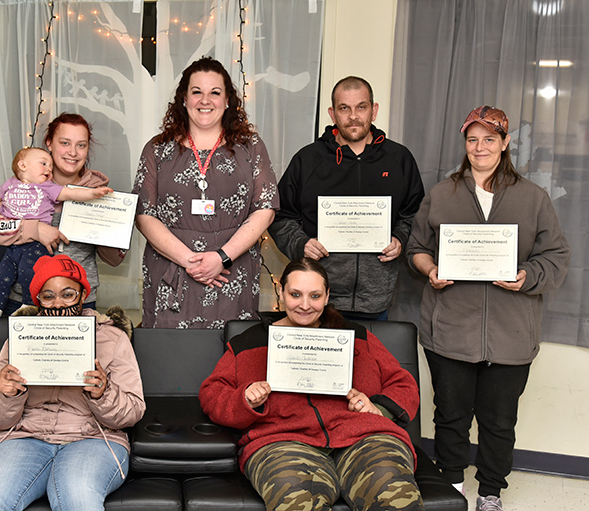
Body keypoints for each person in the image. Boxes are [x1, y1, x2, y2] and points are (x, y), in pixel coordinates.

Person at [406, 105, 570, 511]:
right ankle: (453, 487)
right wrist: (431, 270)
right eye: (472, 139)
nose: (480, 147)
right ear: (465, 143)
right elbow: (416, 249)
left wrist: (526, 276)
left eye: (489, 139)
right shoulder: (442, 194)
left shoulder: (533, 198)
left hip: (511, 333)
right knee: (451, 416)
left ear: (505, 143)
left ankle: (491, 492)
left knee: (499, 422)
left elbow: (556, 256)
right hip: (449, 330)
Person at [199, 257, 422, 511]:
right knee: (294, 502)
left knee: (396, 496)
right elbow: (212, 393)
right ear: (280, 293)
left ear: (327, 296)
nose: (305, 305)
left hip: (364, 437)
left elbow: (403, 383)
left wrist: (379, 409)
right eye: (295, 294)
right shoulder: (248, 343)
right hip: (282, 442)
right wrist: (245, 398)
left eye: (315, 296)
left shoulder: (355, 336)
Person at [0, 254, 145, 511]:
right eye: (48, 296)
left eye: (68, 294)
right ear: (38, 300)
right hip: (23, 438)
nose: (57, 302)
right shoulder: (20, 339)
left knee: (78, 497)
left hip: (93, 440)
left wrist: (103, 393)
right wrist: (5, 394)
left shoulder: (112, 338)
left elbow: (132, 413)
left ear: (83, 295)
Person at [132, 56, 278, 329]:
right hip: (172, 270)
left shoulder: (252, 147)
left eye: (215, 92)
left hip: (233, 271)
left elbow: (265, 209)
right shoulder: (157, 149)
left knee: (231, 360)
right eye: (196, 92)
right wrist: (193, 262)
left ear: (227, 101)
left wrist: (221, 257)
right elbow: (144, 215)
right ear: (184, 99)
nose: (205, 100)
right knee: (173, 362)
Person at [269, 76, 424, 321]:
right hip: (316, 301)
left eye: (361, 107)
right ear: (332, 113)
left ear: (374, 110)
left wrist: (400, 239)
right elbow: (281, 216)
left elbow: (413, 213)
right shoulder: (308, 160)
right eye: (344, 108)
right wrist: (302, 244)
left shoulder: (399, 159)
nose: (353, 116)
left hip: (376, 300)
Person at [0, 113, 126, 311]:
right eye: (65, 143)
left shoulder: (98, 192)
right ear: (49, 143)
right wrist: (35, 228)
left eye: (81, 145)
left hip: (79, 301)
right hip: (24, 300)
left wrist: (106, 230)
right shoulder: (24, 185)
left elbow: (115, 260)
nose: (73, 152)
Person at [0, 146, 112, 320]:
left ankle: (29, 304)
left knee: (29, 273)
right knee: (3, 276)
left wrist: (93, 193)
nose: (49, 169)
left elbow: (71, 193)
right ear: (23, 165)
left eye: (50, 165)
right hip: (14, 246)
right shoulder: (10, 185)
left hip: (36, 245)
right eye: (43, 163)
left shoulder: (48, 188)